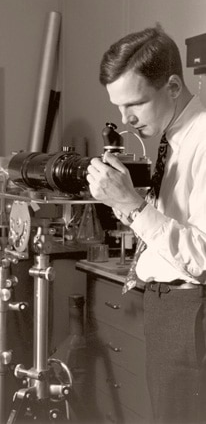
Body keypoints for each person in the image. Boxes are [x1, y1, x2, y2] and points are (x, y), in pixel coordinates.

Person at [87, 25, 206, 423]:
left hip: (191, 310)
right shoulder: (172, 134)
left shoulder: (203, 138)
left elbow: (203, 256)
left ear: (173, 86)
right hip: (165, 305)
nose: (126, 120)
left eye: (134, 104)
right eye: (118, 108)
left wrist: (133, 205)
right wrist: (121, 203)